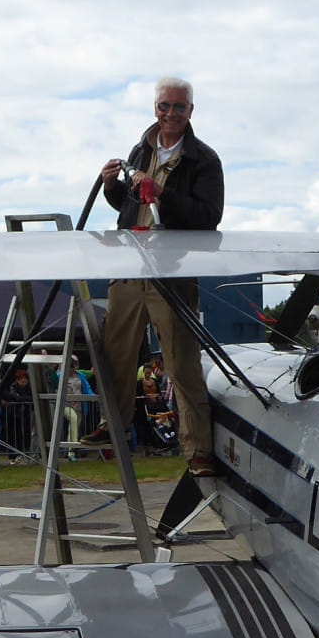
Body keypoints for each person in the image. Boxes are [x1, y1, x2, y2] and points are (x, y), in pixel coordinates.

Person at [96, 76, 224, 476]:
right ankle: (112, 428)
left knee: (181, 363)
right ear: (156, 108)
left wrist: (163, 193)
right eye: (164, 106)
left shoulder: (204, 159)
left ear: (190, 111)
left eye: (179, 107)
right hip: (132, 266)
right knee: (115, 352)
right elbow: (131, 207)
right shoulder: (141, 149)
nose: (170, 113)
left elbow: (208, 217)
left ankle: (198, 450)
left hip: (174, 271)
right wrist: (110, 187)